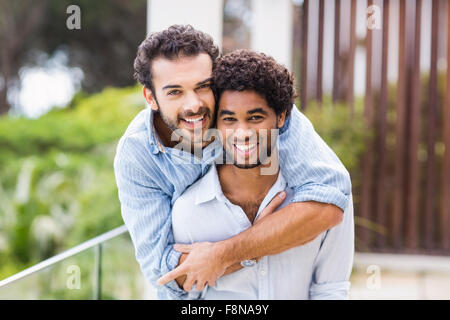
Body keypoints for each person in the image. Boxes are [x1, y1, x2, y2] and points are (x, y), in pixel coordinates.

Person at [114, 25, 351, 300]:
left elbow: (330, 201)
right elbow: (164, 275)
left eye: (202, 87)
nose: (194, 106)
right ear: (150, 97)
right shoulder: (137, 156)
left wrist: (225, 253)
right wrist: (258, 240)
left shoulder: (257, 109)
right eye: (175, 92)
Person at [171, 50, 354, 299]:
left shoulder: (320, 200)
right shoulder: (189, 211)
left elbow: (331, 290)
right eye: (229, 119)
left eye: (255, 117)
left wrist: (228, 255)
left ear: (281, 117)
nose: (243, 132)